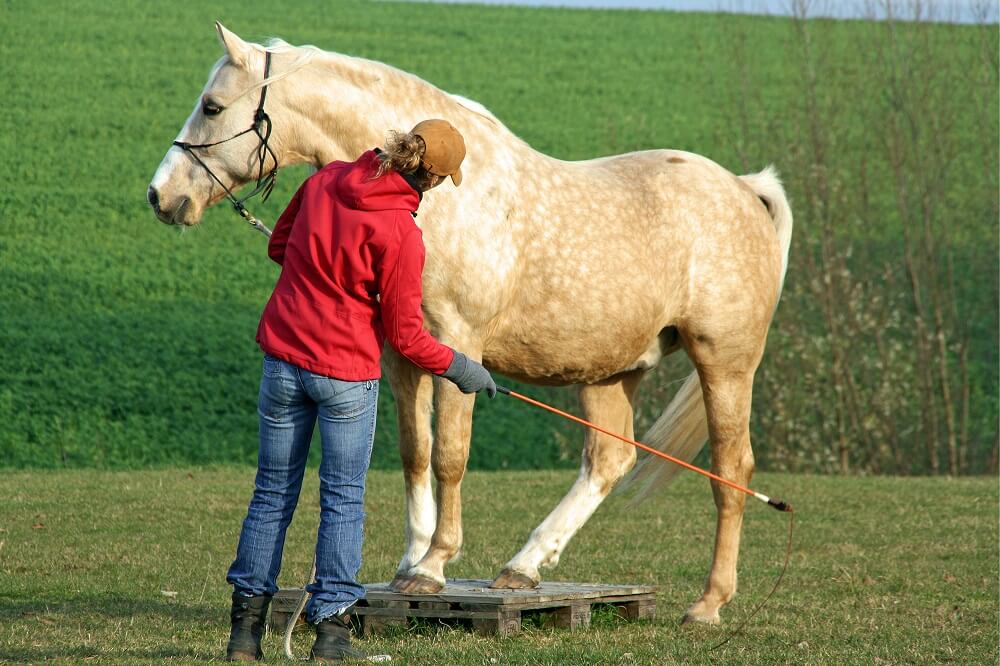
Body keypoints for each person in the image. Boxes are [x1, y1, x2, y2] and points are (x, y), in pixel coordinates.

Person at [223, 119, 496, 662]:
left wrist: (320, 273)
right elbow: (407, 337)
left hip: (282, 359)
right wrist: (462, 368)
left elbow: (279, 246)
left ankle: (244, 637)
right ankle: (330, 636)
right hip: (345, 376)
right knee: (342, 500)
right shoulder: (402, 234)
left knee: (272, 494)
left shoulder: (324, 182)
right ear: (434, 179)